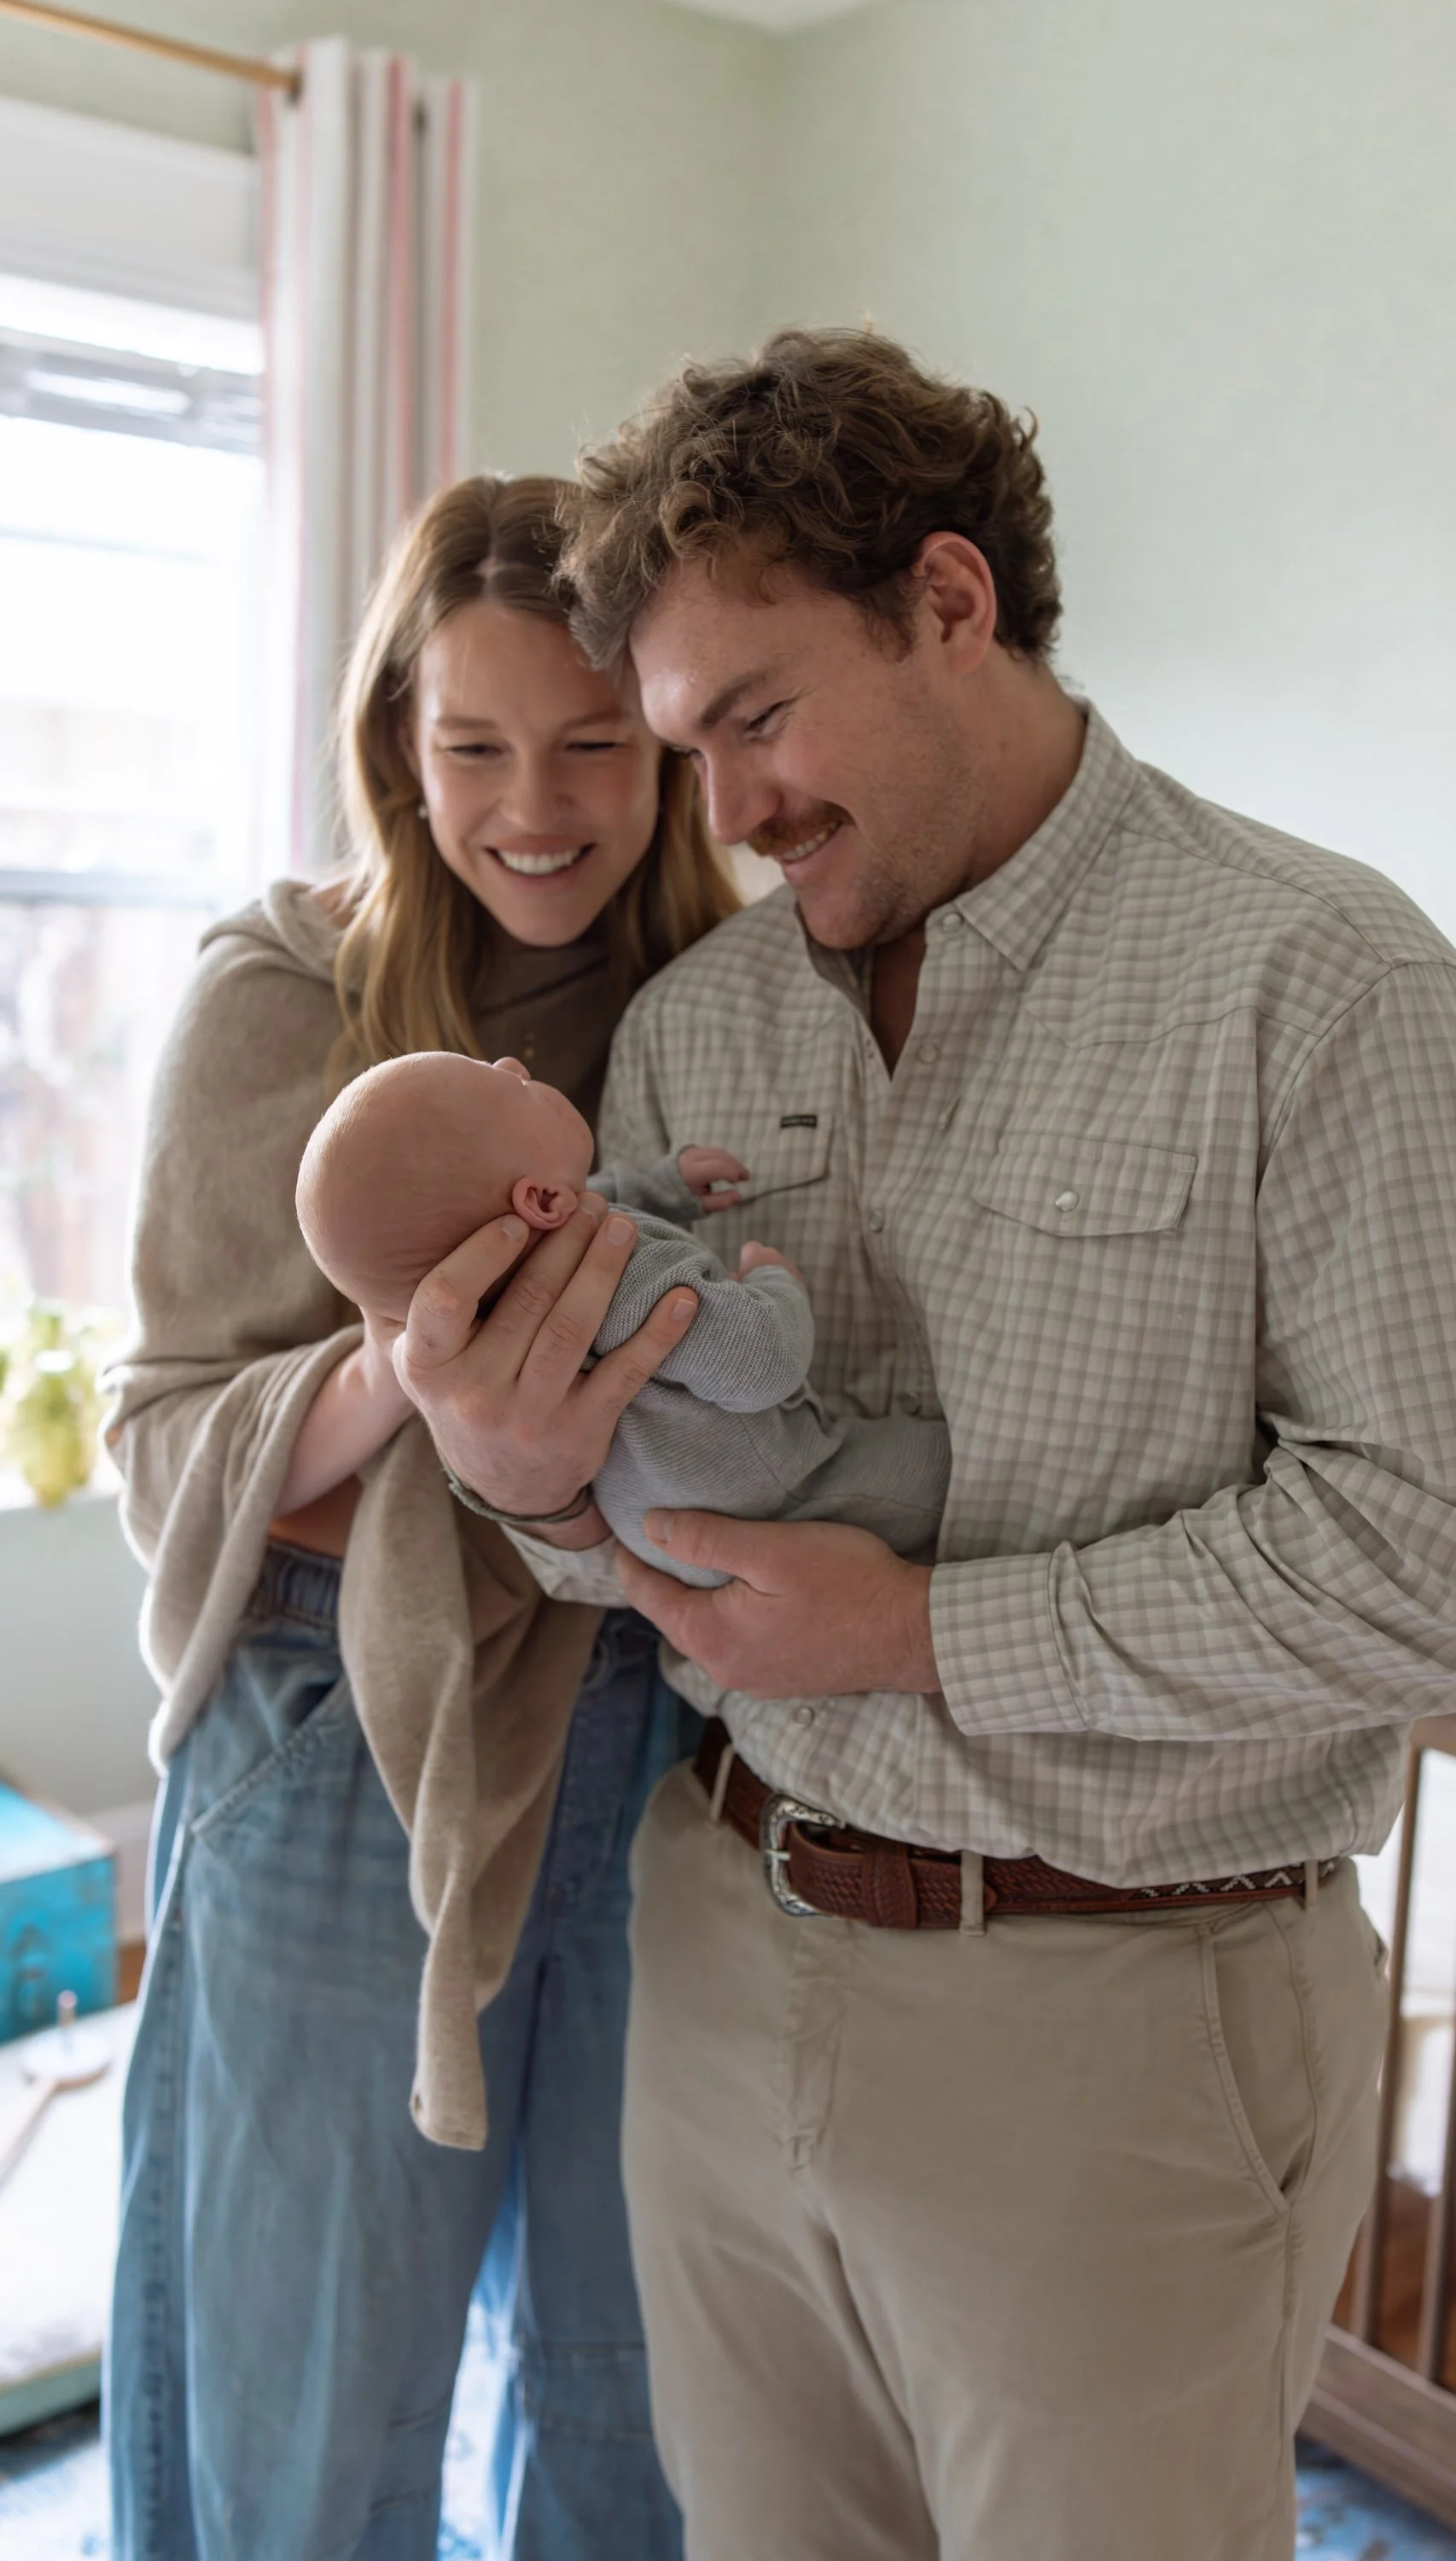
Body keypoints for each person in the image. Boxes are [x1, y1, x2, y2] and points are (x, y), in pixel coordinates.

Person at [397, 331, 1456, 2561]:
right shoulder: (698, 1028)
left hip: (1121, 2015)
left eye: (759, 718)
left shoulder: (1318, 985)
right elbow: (645, 1542)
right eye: (691, 749)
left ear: (951, 603)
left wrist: (937, 1635)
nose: (727, 812)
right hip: (721, 1946)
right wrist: (522, 1472)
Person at [103, 475, 734, 2561]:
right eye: (474, 746)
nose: (535, 808)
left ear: (665, 735)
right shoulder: (283, 998)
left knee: (631, 2384)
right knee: (306, 2394)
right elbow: (165, 1437)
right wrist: (416, 1373)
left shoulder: (727, 1020)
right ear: (396, 741)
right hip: (334, 1737)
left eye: (591, 746)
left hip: (656, 1733)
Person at [294, 1047, 948, 1582]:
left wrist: (664, 1186)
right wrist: (775, 1280)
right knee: (944, 1467)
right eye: (506, 1089)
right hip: (776, 1495)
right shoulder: (630, 1279)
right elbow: (763, 1364)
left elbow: (589, 1199)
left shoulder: (513, 1287)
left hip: (649, 1528)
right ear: (543, 1199)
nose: (511, 1065)